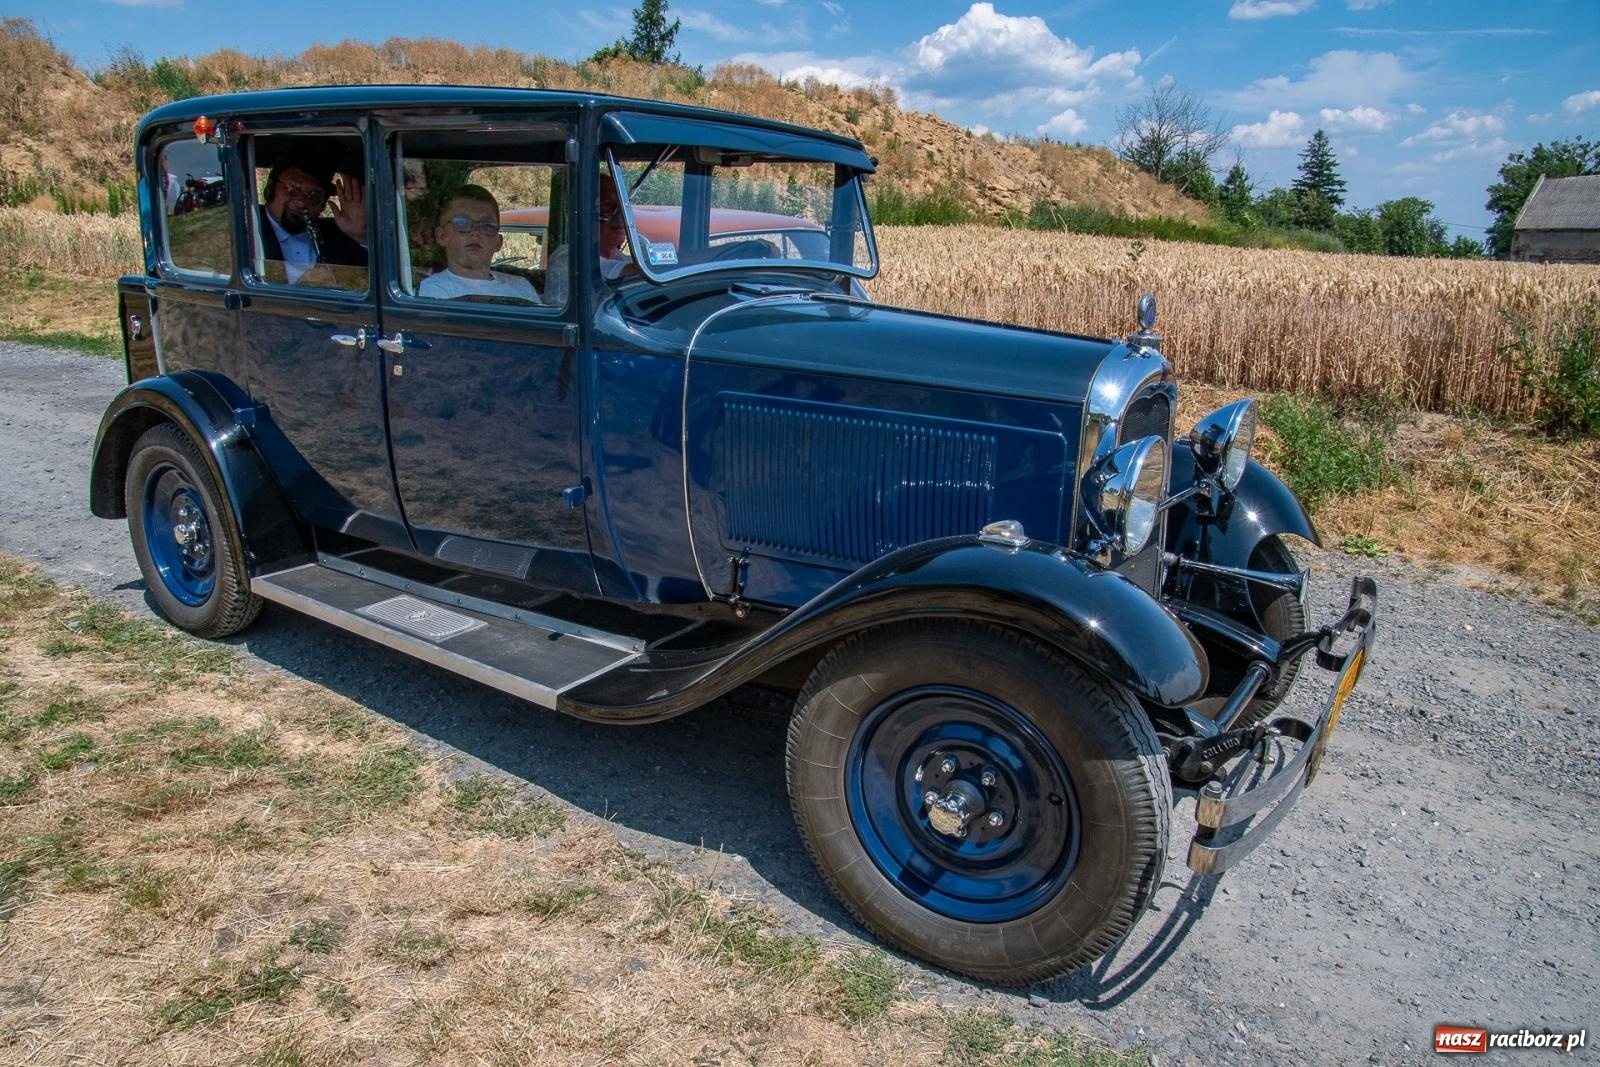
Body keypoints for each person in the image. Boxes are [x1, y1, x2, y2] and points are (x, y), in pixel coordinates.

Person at [417, 185, 538, 303]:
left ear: (498, 242)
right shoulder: (435, 290)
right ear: (441, 236)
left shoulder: (521, 287)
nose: (475, 233)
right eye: (462, 223)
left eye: (487, 226)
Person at [258, 155, 367, 286]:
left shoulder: (340, 233)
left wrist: (361, 237)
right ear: (270, 187)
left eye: (314, 196)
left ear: (322, 206)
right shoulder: (244, 228)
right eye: (292, 188)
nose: (302, 202)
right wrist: (300, 291)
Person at [543, 169, 632, 307]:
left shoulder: (625, 260)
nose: (620, 215)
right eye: (608, 206)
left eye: (623, 207)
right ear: (584, 213)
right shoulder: (567, 257)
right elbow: (616, 273)